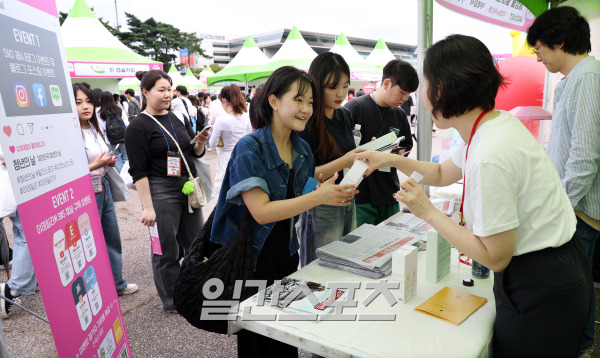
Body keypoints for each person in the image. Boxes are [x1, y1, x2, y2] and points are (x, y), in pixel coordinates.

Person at [356, 34, 592, 357]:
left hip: (541, 285)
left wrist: (428, 212)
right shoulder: (491, 125)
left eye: (424, 84)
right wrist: (392, 159)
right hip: (551, 269)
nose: (421, 95)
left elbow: (495, 256)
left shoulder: (489, 151)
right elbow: (441, 173)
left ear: (441, 89)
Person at [209, 66, 358, 357]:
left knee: (286, 336)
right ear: (274, 101)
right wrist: (319, 197)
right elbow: (261, 212)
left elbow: (302, 189)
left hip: (286, 255)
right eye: (299, 100)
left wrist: (329, 194)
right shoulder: (249, 148)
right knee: (258, 341)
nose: (306, 109)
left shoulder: (300, 147)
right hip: (251, 258)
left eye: (311, 102)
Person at [526, 7, 600, 355]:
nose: (537, 54)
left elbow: (584, 158)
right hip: (574, 206)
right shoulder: (573, 79)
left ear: (560, 41)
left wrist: (563, 208)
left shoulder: (587, 77)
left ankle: (579, 348)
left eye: (539, 47)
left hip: (581, 211)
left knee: (576, 287)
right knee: (578, 285)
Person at [125, 70, 209, 312]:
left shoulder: (177, 117)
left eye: (169, 89)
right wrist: (147, 207)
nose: (167, 94)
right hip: (160, 189)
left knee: (196, 242)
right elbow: (138, 171)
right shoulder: (137, 126)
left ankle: (195, 290)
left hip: (187, 185)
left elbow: (193, 151)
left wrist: (200, 143)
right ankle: (172, 301)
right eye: (161, 90)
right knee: (165, 249)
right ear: (145, 92)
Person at [297, 52, 365, 266]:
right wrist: (346, 160)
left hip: (346, 197)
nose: (341, 93)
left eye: (345, 86)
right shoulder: (306, 122)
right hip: (320, 204)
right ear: (317, 86)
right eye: (332, 87)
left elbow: (346, 155)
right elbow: (305, 174)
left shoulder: (343, 115)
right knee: (320, 268)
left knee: (345, 261)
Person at [73, 83, 138, 297]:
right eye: (78, 102)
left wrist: (107, 162)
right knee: (89, 243)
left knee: (112, 238)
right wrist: (96, 165)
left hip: (104, 186)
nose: (85, 107)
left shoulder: (93, 127)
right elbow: (69, 171)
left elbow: (98, 156)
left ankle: (117, 283)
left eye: (89, 101)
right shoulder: (69, 132)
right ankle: (94, 288)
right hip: (85, 192)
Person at [344, 59, 417, 226]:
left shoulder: (399, 115)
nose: (405, 99)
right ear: (386, 83)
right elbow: (341, 149)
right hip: (360, 194)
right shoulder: (354, 108)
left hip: (389, 192)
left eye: (408, 94)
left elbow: (406, 146)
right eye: (402, 92)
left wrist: (395, 152)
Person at [207, 85, 252, 194]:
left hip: (226, 157)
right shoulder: (246, 117)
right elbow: (249, 136)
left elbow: (212, 144)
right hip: (243, 156)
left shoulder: (221, 120)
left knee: (224, 190)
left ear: (223, 100)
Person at [98, 91, 129, 173]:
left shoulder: (100, 113)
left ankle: (122, 178)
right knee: (126, 157)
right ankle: (127, 176)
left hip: (110, 140)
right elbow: (126, 124)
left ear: (101, 100)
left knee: (116, 158)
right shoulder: (119, 110)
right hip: (123, 137)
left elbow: (101, 129)